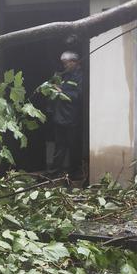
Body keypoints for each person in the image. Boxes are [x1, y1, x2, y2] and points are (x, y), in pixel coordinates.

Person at [50, 51, 83, 181]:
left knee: (73, 147)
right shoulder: (64, 76)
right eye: (63, 63)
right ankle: (54, 173)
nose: (64, 66)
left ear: (74, 62)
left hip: (72, 118)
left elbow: (79, 96)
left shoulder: (80, 77)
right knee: (59, 147)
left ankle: (74, 174)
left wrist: (62, 91)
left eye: (66, 63)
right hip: (59, 118)